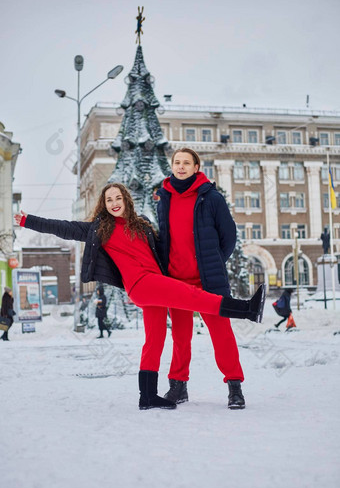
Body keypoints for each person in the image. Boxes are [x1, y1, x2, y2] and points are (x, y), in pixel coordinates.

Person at [14, 182, 264, 410]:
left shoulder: (142, 225)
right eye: (109, 199)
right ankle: (247, 309)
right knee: (193, 296)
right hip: (142, 284)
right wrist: (27, 221)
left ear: (126, 200)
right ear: (104, 204)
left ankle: (147, 396)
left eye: (118, 197)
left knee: (155, 339)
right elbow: (64, 228)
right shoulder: (100, 229)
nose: (114, 203)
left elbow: (166, 245)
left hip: (156, 281)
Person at [157, 147, 260, 409]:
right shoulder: (164, 198)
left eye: (186, 163)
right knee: (180, 337)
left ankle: (234, 387)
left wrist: (211, 262)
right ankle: (178, 387)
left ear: (196, 167)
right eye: (177, 162)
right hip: (176, 282)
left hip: (208, 281)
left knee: (221, 333)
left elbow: (229, 236)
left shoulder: (211, 197)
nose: (181, 167)